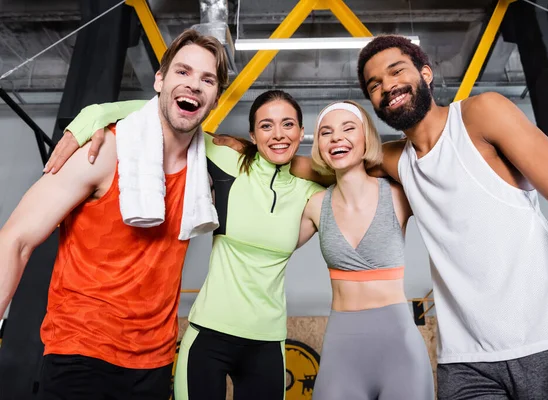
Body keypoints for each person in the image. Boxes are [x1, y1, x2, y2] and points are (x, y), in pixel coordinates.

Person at [356, 35, 548, 399]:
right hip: (465, 361)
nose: (387, 86)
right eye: (374, 85)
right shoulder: (398, 161)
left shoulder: (481, 115)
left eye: (396, 72)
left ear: (425, 74)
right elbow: (328, 163)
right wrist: (245, 148)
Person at [0, 29, 229, 400]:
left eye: (207, 79)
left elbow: (265, 152)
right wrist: (99, 114)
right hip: (80, 353)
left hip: (152, 365)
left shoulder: (204, 173)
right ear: (159, 79)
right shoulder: (103, 150)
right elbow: (16, 239)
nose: (194, 86)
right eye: (182, 72)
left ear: (216, 98)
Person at [52, 90, 324, 400]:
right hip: (209, 336)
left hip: (268, 342)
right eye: (266, 126)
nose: (278, 134)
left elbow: (356, 162)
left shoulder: (311, 190)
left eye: (288, 124)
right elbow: (168, 117)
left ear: (302, 132)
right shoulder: (228, 160)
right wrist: (96, 113)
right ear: (252, 134)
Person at [296, 100, 434, 399]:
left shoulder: (399, 195)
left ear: (366, 139)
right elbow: (265, 251)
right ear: (318, 145)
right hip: (341, 351)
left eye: (348, 128)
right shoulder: (315, 206)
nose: (336, 138)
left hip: (400, 350)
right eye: (326, 132)